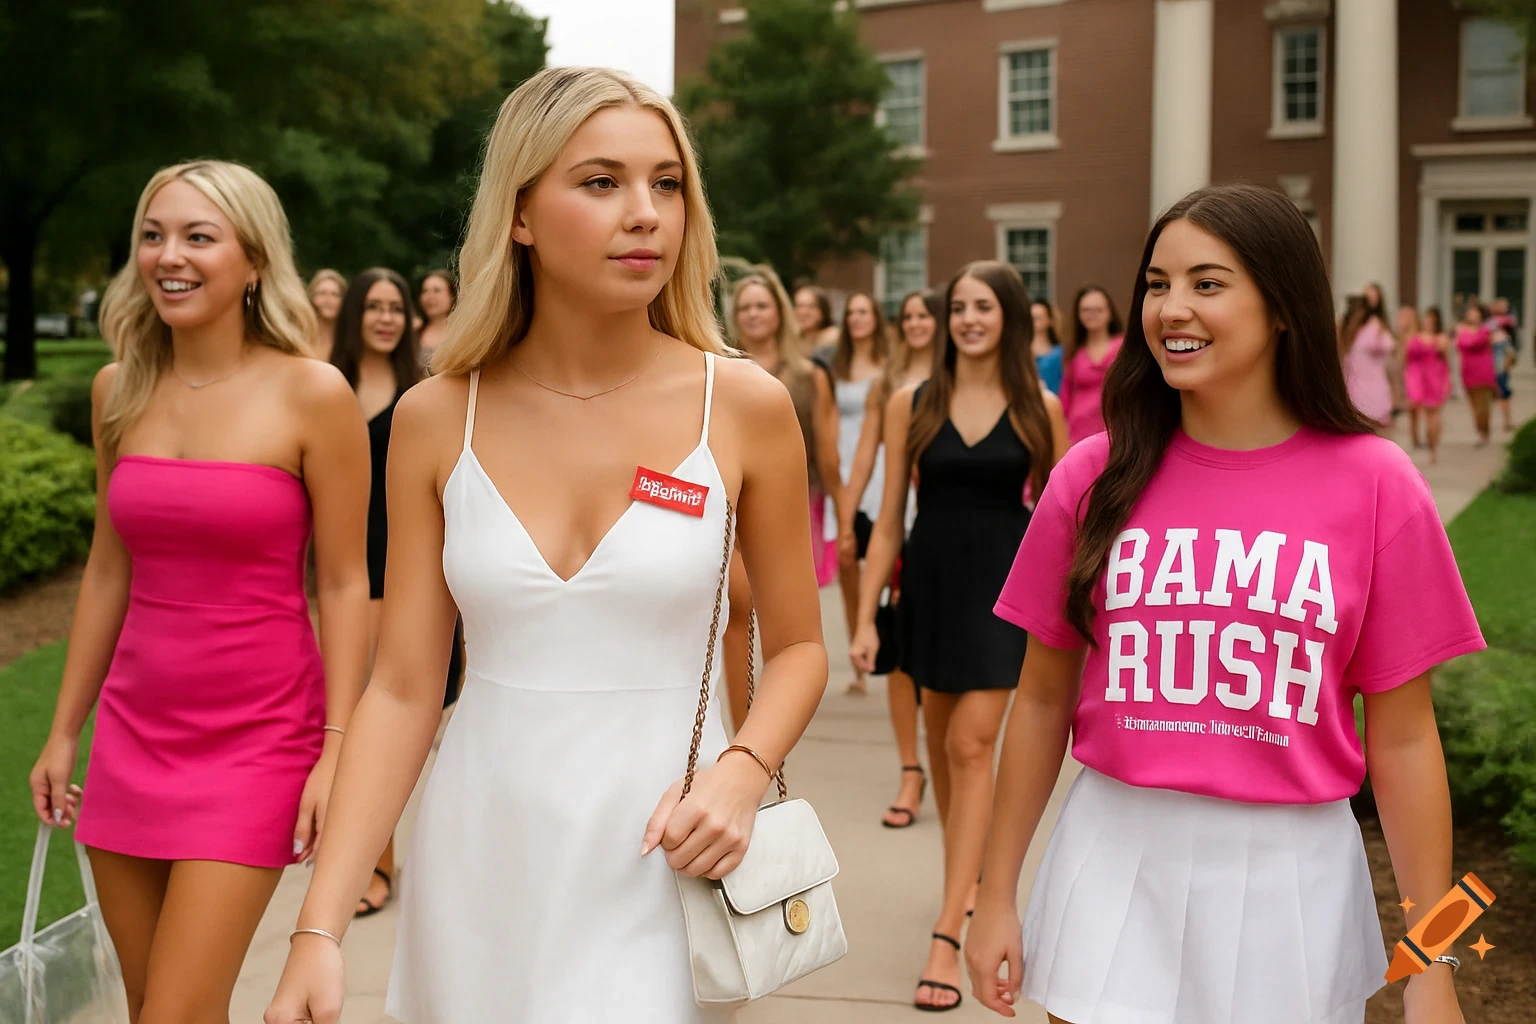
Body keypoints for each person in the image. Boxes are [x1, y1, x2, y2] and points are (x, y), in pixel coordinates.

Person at [263, 66, 829, 1024]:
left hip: (669, 849)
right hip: (481, 856)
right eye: (602, 182)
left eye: (667, 183)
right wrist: (319, 929)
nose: (645, 213)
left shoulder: (742, 406)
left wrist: (741, 773)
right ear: (519, 213)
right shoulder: (435, 418)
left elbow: (801, 649)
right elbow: (403, 688)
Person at [969, 183, 1480, 1024]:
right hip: (1112, 861)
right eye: (1157, 284)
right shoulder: (1090, 478)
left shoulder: (1379, 482)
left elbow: (1408, 739)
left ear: (1283, 306)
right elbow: (1041, 700)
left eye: (1207, 283)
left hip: (1295, 879)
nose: (1172, 309)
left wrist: (1437, 963)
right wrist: (993, 897)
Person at [28, 160, 370, 1022]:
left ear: (255, 260)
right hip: (132, 743)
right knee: (154, 1006)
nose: (168, 256)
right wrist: (65, 730)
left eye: (197, 236)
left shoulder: (313, 394)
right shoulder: (121, 390)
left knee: (174, 1013)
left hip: (256, 742)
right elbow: (111, 566)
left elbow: (342, 580)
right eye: (153, 235)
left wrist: (338, 749)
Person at [851, 261, 1067, 1011]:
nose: (969, 319)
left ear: (1009, 316)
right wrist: (864, 616)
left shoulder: (1040, 404)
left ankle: (948, 930)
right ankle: (965, 876)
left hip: (1004, 594)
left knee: (973, 744)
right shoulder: (911, 400)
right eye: (959, 308)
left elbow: (1059, 520)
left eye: (983, 307)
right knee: (946, 746)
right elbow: (888, 520)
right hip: (931, 586)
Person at [326, 267, 425, 919]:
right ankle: (363, 854)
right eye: (375, 307)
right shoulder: (324, 385)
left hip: (401, 563)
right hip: (335, 564)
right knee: (344, 713)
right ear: (355, 315)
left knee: (377, 715)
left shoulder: (423, 391)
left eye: (397, 307)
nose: (386, 317)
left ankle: (375, 860)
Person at [721, 263, 842, 730]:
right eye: (745, 307)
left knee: (785, 624)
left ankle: (771, 723)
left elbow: (828, 455)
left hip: (792, 503)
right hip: (729, 504)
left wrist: (843, 517)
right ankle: (741, 726)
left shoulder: (809, 374)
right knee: (736, 611)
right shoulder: (718, 367)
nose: (753, 314)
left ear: (779, 312)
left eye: (762, 305)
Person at [842, 288, 942, 828]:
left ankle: (954, 764)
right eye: (907, 316)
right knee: (900, 650)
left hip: (948, 529)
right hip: (894, 518)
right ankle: (911, 768)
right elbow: (866, 452)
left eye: (925, 314)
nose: (916, 323)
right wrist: (847, 514)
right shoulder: (890, 383)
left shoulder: (961, 379)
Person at [825, 291, 894, 696]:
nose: (856, 318)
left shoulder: (888, 365)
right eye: (851, 312)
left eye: (864, 312)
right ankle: (857, 663)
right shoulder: (835, 366)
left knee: (882, 566)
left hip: (879, 464)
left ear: (876, 318)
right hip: (843, 462)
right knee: (848, 564)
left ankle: (881, 641)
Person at [1059, 286, 1124, 444]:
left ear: (1109, 313)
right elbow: (1065, 398)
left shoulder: (1124, 347)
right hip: (1078, 434)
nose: (1092, 314)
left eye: (1098, 309)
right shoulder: (1073, 352)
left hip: (1116, 431)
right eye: (1086, 310)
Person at [1403, 307, 1451, 463]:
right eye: (1427, 319)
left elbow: (1445, 361)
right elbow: (1405, 356)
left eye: (1432, 320)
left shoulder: (1441, 339)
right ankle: (1417, 439)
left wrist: (1446, 381)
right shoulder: (1414, 336)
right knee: (1414, 408)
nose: (1428, 322)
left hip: (1433, 376)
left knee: (1433, 413)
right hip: (1416, 377)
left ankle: (1432, 447)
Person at [1340, 292, 1395, 429]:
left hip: (1366, 390)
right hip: (1359, 391)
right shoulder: (1353, 332)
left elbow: (1388, 345)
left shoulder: (1369, 330)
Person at [1455, 302, 1497, 447]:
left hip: (1483, 372)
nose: (1471, 314)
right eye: (1470, 312)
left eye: (1474, 312)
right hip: (1468, 372)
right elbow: (1460, 345)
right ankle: (1481, 431)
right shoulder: (1462, 330)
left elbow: (1472, 343)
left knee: (1483, 406)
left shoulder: (1485, 330)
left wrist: (1463, 334)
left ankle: (1484, 431)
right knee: (1473, 405)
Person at [1488, 297, 1518, 433]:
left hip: (1502, 357)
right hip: (1495, 357)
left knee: (1502, 390)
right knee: (1499, 390)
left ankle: (1506, 420)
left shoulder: (1507, 322)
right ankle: (1503, 420)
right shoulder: (1493, 323)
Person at [416, 269, 456, 363]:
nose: (430, 297)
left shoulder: (461, 334)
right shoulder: (414, 331)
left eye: (436, 290)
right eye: (425, 291)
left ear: (452, 296)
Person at [308, 268, 346, 362]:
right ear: (312, 297)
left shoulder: (350, 339)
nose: (328, 299)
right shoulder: (301, 337)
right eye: (322, 293)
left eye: (335, 294)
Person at [1030, 299, 1064, 396]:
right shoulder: (1020, 353)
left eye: (1039, 317)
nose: (1035, 320)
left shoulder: (1060, 354)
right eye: (1032, 317)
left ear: (1050, 320)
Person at [794, 284, 840, 349]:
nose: (803, 312)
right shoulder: (792, 338)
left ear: (823, 311)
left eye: (811, 306)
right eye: (799, 306)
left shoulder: (833, 338)